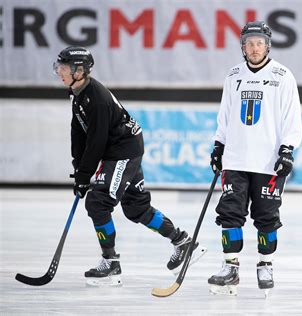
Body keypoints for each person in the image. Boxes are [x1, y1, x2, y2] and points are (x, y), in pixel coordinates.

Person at [53, 46, 206, 286]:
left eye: (63, 68)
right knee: (136, 208)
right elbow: (78, 131)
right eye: (59, 67)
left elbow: (97, 141)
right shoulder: (78, 92)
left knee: (97, 202)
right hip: (124, 149)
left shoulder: (97, 98)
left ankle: (111, 262)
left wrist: (85, 175)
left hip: (122, 151)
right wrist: (79, 168)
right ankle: (182, 242)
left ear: (79, 70)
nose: (59, 72)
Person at [207, 21, 302, 296]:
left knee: (266, 216)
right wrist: (218, 146)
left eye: (259, 42)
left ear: (268, 45)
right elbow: (224, 115)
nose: (254, 47)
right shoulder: (233, 75)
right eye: (249, 42)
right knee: (229, 213)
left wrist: (287, 149)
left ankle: (265, 263)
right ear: (243, 46)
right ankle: (230, 266)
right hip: (235, 159)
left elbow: (292, 118)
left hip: (268, 162)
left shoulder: (282, 75)